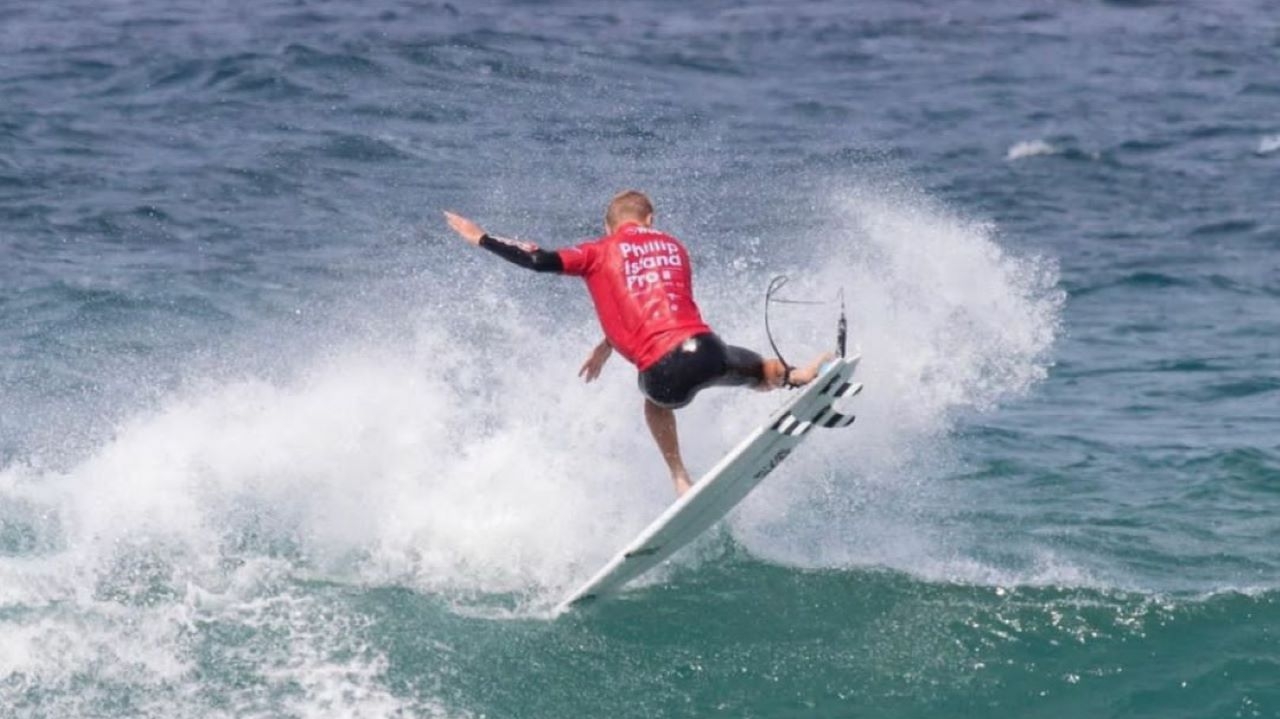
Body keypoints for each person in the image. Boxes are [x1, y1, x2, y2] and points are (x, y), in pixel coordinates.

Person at [443, 190, 830, 497]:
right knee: (758, 369)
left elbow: (539, 261)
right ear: (650, 221)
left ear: (608, 226)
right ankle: (798, 376)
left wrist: (481, 238)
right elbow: (650, 302)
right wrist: (605, 346)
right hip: (707, 350)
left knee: (655, 402)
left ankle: (680, 477)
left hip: (665, 372)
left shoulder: (597, 251)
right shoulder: (674, 246)